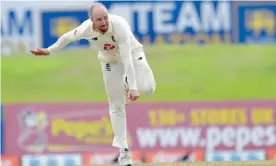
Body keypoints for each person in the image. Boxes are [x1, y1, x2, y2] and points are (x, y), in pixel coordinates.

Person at [31, 3, 156, 166]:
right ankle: (124, 153)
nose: (104, 22)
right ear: (91, 21)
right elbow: (68, 37)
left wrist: (132, 87)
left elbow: (126, 58)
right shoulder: (86, 29)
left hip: (132, 55)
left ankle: (125, 82)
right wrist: (49, 50)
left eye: (105, 18)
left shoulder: (119, 27)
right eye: (99, 19)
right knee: (116, 105)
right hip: (109, 61)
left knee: (147, 88)